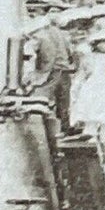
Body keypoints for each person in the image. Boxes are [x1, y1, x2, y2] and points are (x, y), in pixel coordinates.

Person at [69, 30, 105, 150]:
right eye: (101, 43)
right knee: (92, 107)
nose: (104, 45)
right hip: (93, 85)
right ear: (96, 44)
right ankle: (92, 134)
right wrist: (77, 86)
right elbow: (82, 73)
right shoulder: (89, 58)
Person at [28, 20, 75, 152]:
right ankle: (64, 129)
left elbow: (30, 53)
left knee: (44, 100)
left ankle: (48, 130)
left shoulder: (38, 35)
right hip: (64, 70)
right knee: (64, 101)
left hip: (50, 72)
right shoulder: (62, 34)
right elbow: (70, 52)